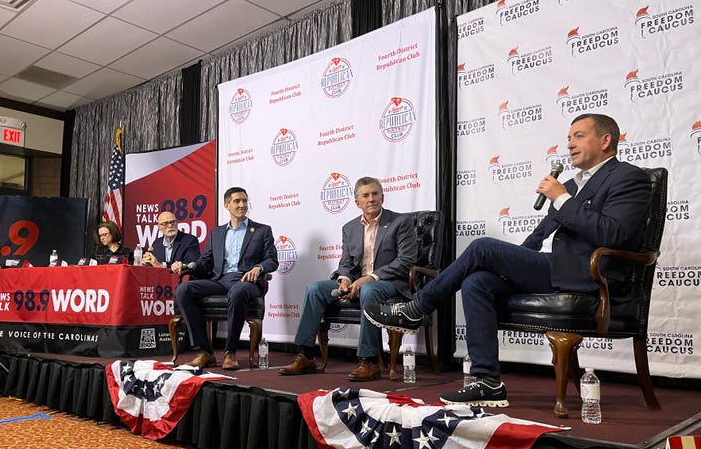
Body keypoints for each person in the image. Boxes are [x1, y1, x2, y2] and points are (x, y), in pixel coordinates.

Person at [364, 113, 652, 406]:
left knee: (482, 248)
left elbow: (613, 234)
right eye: (568, 138)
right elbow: (538, 238)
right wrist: (513, 266)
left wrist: (562, 199)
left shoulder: (628, 177)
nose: (569, 145)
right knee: (478, 281)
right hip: (559, 272)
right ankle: (487, 380)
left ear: (606, 141)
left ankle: (416, 308)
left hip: (592, 276)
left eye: (579, 136)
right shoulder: (572, 185)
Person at [278, 176, 417, 382]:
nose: (371, 199)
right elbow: (346, 262)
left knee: (370, 289)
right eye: (365, 195)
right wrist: (344, 278)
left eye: (375, 194)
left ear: (382, 197)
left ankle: (368, 361)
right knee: (315, 288)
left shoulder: (400, 222)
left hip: (390, 284)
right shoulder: (350, 228)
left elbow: (406, 261)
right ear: (357, 202)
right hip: (357, 283)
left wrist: (370, 277)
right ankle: (306, 355)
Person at [174, 187, 278, 371]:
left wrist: (259, 267)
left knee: (238, 291)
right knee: (184, 290)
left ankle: (230, 352)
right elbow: (205, 262)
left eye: (245, 201)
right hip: (220, 280)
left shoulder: (262, 231)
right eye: (237, 201)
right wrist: (187, 266)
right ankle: (206, 351)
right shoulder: (217, 233)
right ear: (226, 205)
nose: (242, 205)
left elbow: (272, 260)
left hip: (247, 282)